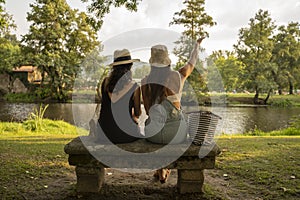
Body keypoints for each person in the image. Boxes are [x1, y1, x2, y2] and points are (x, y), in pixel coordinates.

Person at [141, 37, 205, 182]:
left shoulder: (145, 82)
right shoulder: (177, 75)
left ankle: (160, 170)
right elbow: (192, 62)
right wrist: (196, 46)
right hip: (176, 135)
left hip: (153, 135)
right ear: (167, 62)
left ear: (152, 63)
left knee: (156, 124)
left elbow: (147, 112)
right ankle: (164, 170)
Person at [96, 49, 142, 144]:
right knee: (136, 124)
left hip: (103, 134)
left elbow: (105, 107)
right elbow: (137, 114)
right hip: (125, 135)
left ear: (114, 67)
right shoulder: (135, 87)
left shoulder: (105, 82)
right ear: (130, 66)